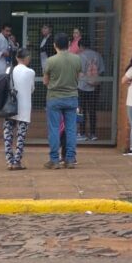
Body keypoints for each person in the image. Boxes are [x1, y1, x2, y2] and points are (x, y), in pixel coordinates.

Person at [43, 32, 82, 169]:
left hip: (54, 98)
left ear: (55, 45)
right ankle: (70, 159)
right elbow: (78, 77)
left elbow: (46, 81)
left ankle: (54, 160)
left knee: (54, 129)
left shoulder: (51, 61)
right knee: (71, 129)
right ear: (69, 44)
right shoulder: (77, 59)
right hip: (72, 97)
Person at [3, 48, 35, 170]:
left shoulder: (9, 70)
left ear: (17, 58)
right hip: (24, 107)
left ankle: (9, 161)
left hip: (9, 105)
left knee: (8, 133)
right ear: (27, 58)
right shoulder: (30, 72)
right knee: (21, 135)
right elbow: (32, 89)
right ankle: (17, 161)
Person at [76, 36, 105, 141]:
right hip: (95, 87)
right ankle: (93, 134)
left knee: (81, 110)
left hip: (82, 87)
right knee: (92, 110)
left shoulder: (79, 56)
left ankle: (82, 133)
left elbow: (76, 71)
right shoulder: (98, 55)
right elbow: (101, 71)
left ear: (81, 46)